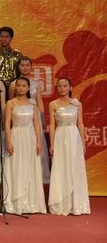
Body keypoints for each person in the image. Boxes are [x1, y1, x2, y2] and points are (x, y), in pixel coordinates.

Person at [4, 77, 46, 214]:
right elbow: (7, 123)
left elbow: (36, 124)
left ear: (28, 88)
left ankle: (31, 202)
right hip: (16, 135)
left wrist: (39, 141)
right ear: (15, 87)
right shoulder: (10, 103)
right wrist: (8, 141)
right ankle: (16, 201)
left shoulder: (33, 104)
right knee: (16, 165)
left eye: (24, 86)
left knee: (30, 166)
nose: (21, 88)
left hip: (30, 137)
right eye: (19, 85)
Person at [48, 78, 90, 215]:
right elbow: (52, 125)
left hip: (74, 136)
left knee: (74, 167)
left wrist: (83, 142)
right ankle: (62, 203)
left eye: (65, 86)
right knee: (61, 166)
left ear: (70, 87)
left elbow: (81, 124)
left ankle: (76, 203)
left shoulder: (77, 104)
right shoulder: (53, 104)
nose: (62, 88)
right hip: (60, 136)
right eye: (60, 86)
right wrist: (51, 143)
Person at [9, 56, 49, 183]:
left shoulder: (36, 83)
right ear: (18, 67)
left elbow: (39, 102)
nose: (25, 67)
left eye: (27, 65)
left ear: (31, 67)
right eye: (22, 65)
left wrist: (43, 119)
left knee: (36, 145)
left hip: (33, 116)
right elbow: (11, 102)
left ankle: (38, 175)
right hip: (19, 118)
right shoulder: (13, 84)